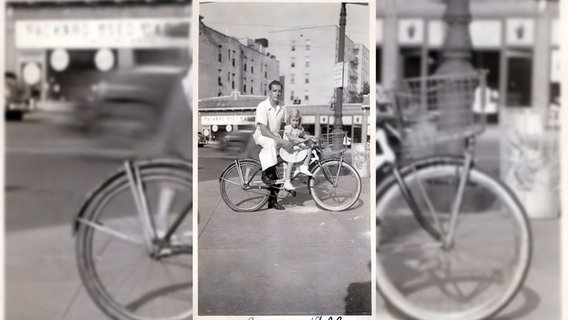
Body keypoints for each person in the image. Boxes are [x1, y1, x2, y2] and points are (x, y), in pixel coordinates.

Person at [252, 80, 291, 210]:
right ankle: (265, 173)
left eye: (279, 91)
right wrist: (280, 140)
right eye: (275, 90)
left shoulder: (283, 106)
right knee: (270, 144)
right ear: (269, 92)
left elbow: (286, 125)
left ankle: (272, 201)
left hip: (275, 137)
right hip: (262, 136)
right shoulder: (262, 106)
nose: (277, 93)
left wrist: (295, 134)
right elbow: (263, 130)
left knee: (282, 166)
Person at [280, 108, 313, 190]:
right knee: (291, 160)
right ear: (289, 120)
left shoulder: (299, 128)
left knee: (309, 147)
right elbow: (290, 137)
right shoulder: (288, 128)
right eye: (293, 120)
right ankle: (287, 181)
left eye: (297, 121)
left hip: (295, 146)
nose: (295, 123)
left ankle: (305, 166)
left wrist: (311, 138)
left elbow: (304, 135)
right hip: (288, 148)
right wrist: (299, 139)